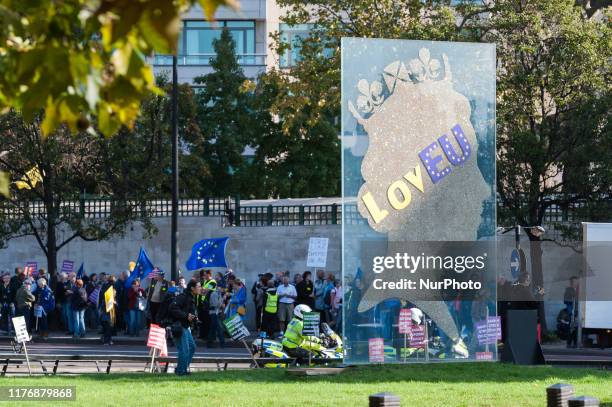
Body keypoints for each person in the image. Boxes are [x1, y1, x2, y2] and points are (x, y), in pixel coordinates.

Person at [169, 280, 201, 376]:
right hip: (179, 326)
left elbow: (188, 312)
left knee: (192, 347)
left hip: (185, 326)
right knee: (185, 349)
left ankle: (181, 368)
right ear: (192, 288)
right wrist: (186, 316)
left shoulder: (191, 297)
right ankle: (181, 371)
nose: (200, 288)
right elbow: (172, 308)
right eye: (198, 286)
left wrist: (194, 318)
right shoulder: (183, 297)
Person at [206, 284, 225, 348]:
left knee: (213, 329)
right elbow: (216, 304)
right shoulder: (214, 294)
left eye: (223, 288)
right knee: (219, 328)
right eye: (221, 288)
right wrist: (222, 300)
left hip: (216, 312)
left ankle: (209, 343)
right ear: (217, 287)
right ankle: (222, 343)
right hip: (213, 313)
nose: (222, 289)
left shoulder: (219, 294)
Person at [100, 276, 117, 345]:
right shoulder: (111, 288)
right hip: (108, 310)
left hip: (106, 309)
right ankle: (107, 340)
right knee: (108, 326)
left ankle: (107, 340)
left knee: (107, 326)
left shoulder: (105, 286)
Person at [563, 276, 579, 348]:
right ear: (571, 282)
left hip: (578, 312)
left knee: (577, 328)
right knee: (571, 328)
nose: (575, 283)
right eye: (573, 282)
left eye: (576, 281)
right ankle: (569, 343)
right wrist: (571, 312)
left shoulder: (579, 290)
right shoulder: (568, 290)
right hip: (572, 312)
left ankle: (575, 342)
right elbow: (566, 301)